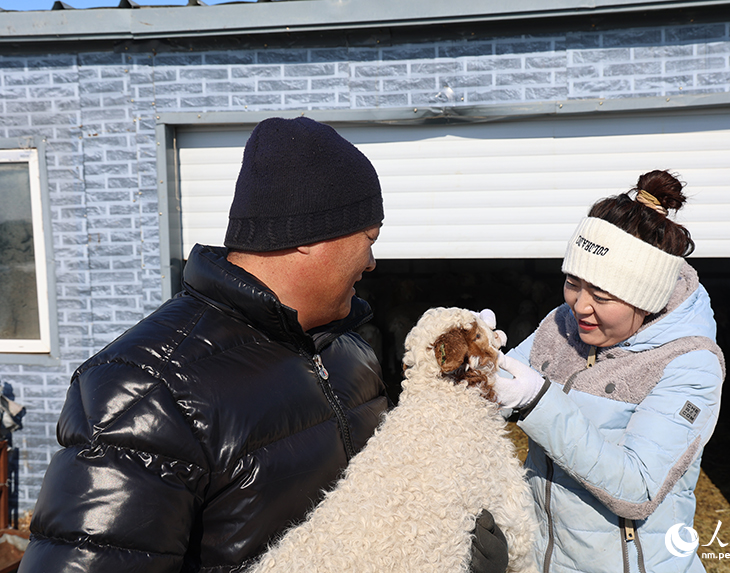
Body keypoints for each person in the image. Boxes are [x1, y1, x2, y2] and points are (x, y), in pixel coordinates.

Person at [19, 117, 507, 572]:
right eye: (369, 237)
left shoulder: (350, 354)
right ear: (309, 234)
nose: (373, 261)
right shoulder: (144, 390)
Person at [492, 170, 725, 573]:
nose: (579, 305)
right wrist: (475, 361)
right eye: (572, 283)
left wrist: (536, 403)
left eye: (600, 295)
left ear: (645, 297)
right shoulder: (561, 325)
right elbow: (499, 390)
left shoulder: (690, 363)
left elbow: (638, 488)